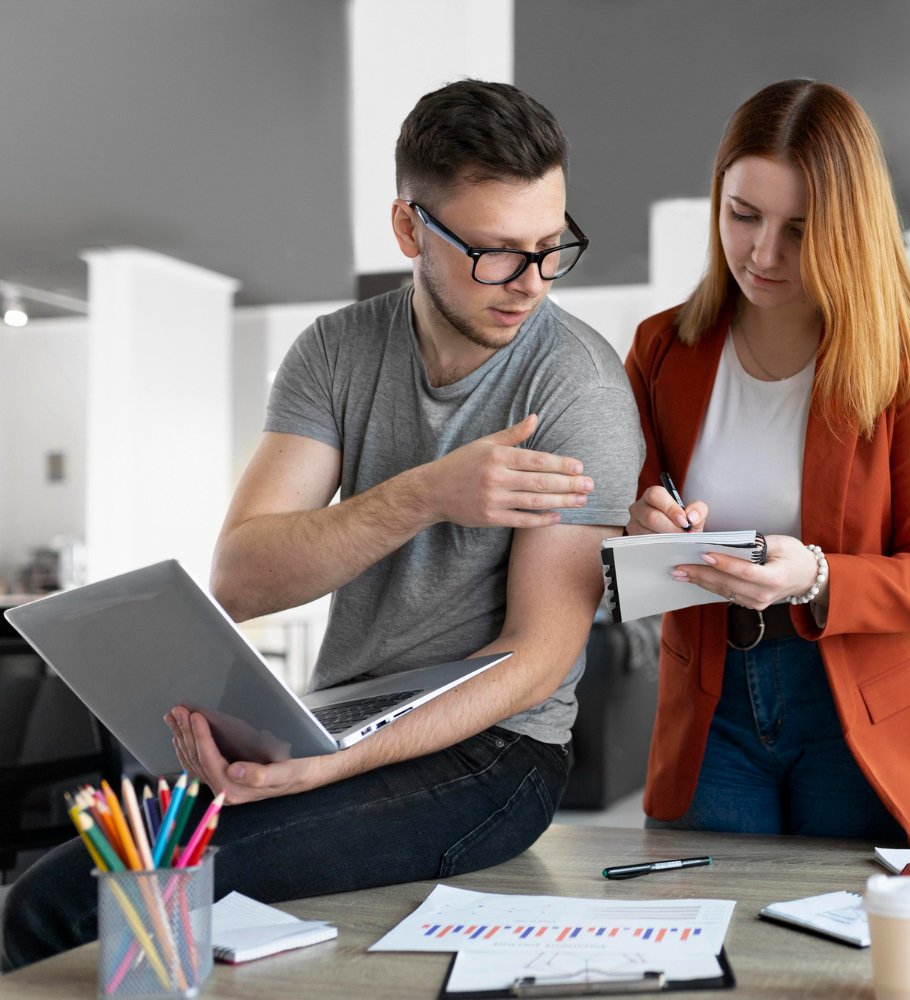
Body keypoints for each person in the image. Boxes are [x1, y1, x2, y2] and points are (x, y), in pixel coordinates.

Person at [1, 79, 644, 970]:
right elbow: (244, 575)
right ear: (410, 229)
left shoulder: (579, 387)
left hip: (495, 758)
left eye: (549, 247)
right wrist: (425, 493)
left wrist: (335, 766)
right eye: (495, 254)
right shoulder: (336, 350)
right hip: (337, 717)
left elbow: (536, 658)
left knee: (63, 902)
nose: (530, 284)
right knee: (83, 895)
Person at [624, 79, 910, 847]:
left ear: (851, 231)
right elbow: (624, 516)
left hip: (862, 712)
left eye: (801, 229)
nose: (763, 252)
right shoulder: (662, 351)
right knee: (710, 940)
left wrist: (817, 576)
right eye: (742, 215)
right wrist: (637, 516)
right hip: (710, 704)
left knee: (851, 952)